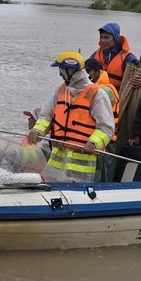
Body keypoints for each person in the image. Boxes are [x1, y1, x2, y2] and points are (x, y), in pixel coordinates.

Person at [28, 51, 115, 183]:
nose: (60, 74)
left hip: (82, 166)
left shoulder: (97, 94)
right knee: (48, 188)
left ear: (71, 71)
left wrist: (94, 142)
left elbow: (106, 127)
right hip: (56, 162)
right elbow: (46, 116)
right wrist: (37, 130)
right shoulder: (60, 91)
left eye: (62, 70)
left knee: (77, 195)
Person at [84, 58, 119, 182]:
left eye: (88, 71)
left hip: (106, 141)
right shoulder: (93, 88)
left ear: (98, 72)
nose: (86, 74)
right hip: (95, 139)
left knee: (102, 176)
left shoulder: (106, 90)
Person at [88, 22, 139, 90]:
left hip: (117, 97)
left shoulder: (129, 58)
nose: (103, 40)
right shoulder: (96, 55)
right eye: (101, 37)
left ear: (115, 38)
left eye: (106, 37)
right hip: (97, 95)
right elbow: (84, 72)